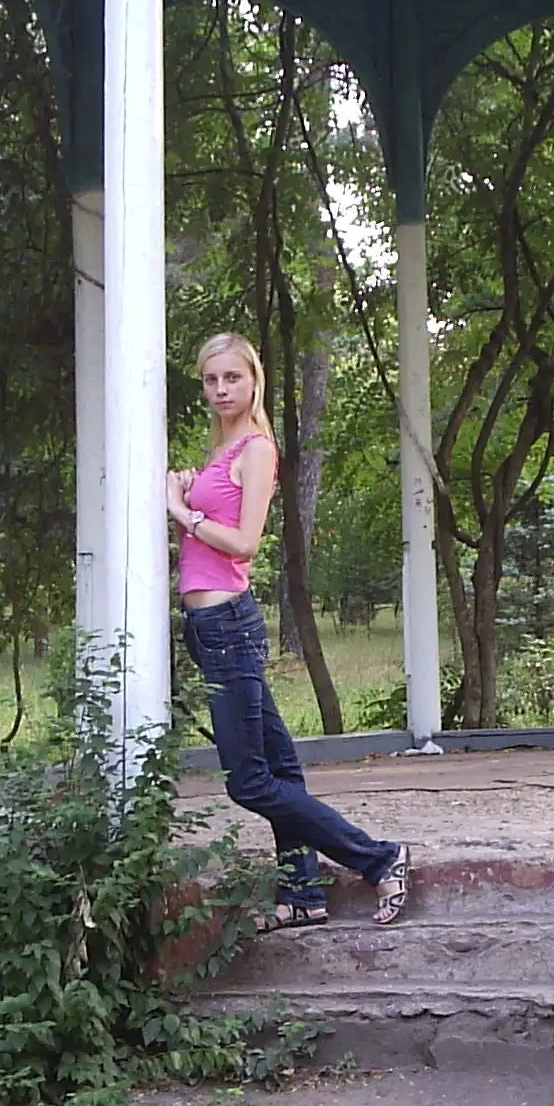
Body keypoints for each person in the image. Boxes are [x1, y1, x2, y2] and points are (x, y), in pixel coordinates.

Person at [168, 332, 411, 928]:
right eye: (211, 380)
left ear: (254, 381)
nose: (221, 389)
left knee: (249, 783)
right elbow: (202, 544)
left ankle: (379, 857)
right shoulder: (220, 449)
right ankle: (303, 895)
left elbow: (244, 543)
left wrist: (181, 510)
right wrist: (187, 500)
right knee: (280, 771)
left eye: (232, 377)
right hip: (210, 625)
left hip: (228, 623)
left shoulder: (256, 449)